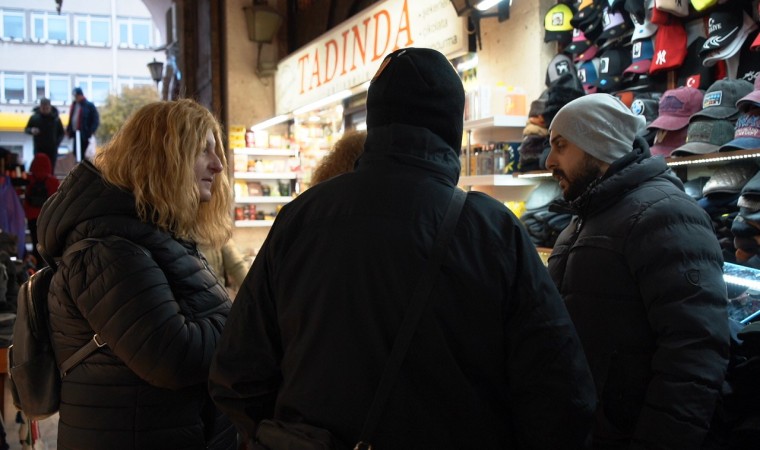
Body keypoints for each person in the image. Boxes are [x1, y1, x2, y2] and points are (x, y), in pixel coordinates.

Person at [209, 47, 596, 449]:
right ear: (452, 125)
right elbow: (561, 395)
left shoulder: (301, 219)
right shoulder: (492, 231)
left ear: (374, 119)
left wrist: (291, 433)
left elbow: (235, 374)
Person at [37, 99, 236, 449]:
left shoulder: (154, 236)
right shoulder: (108, 249)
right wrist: (247, 322)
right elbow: (172, 356)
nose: (218, 164)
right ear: (162, 157)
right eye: (202, 150)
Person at [544, 93, 730, 449]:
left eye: (561, 145)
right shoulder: (583, 219)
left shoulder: (666, 214)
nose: (550, 160)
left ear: (598, 143)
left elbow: (694, 354)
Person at [22, 153, 59, 269]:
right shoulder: (53, 181)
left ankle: (35, 266)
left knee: (35, 241)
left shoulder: (28, 179)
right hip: (46, 216)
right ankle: (46, 265)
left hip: (31, 216)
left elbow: (20, 192)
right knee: (45, 241)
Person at [24, 97, 65, 172]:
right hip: (39, 148)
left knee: (50, 169)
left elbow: (61, 133)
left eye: (47, 108)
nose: (45, 110)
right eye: (43, 108)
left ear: (50, 107)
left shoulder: (55, 119)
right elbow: (26, 129)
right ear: (40, 107)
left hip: (52, 149)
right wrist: (32, 130)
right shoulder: (34, 118)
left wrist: (56, 143)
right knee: (39, 169)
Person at [66, 87, 99, 163]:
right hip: (75, 133)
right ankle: (79, 164)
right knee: (76, 152)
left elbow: (95, 120)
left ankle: (83, 165)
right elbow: (71, 119)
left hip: (85, 134)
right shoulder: (74, 105)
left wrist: (91, 131)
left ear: (81, 95)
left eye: (77, 96)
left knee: (85, 153)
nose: (76, 98)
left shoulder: (89, 105)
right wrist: (69, 130)